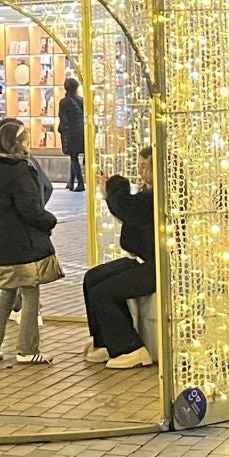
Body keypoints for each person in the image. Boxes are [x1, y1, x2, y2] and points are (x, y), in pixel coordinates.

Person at [0, 119, 60, 365]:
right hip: (21, 245)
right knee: (31, 292)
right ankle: (27, 349)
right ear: (16, 144)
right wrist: (50, 221)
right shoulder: (20, 172)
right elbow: (31, 210)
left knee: (8, 292)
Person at [80, 147, 157, 369]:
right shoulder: (147, 193)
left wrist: (115, 186)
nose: (141, 172)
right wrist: (110, 193)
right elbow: (126, 213)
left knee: (103, 292)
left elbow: (128, 209)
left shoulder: (157, 196)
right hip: (141, 259)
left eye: (145, 167)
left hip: (157, 266)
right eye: (140, 166)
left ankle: (130, 347)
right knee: (92, 278)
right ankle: (106, 342)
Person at [58, 77, 86, 191]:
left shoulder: (64, 102)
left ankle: (80, 183)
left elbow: (63, 119)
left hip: (70, 133)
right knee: (73, 157)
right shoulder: (81, 100)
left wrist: (62, 130)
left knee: (73, 157)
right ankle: (71, 181)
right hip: (81, 132)